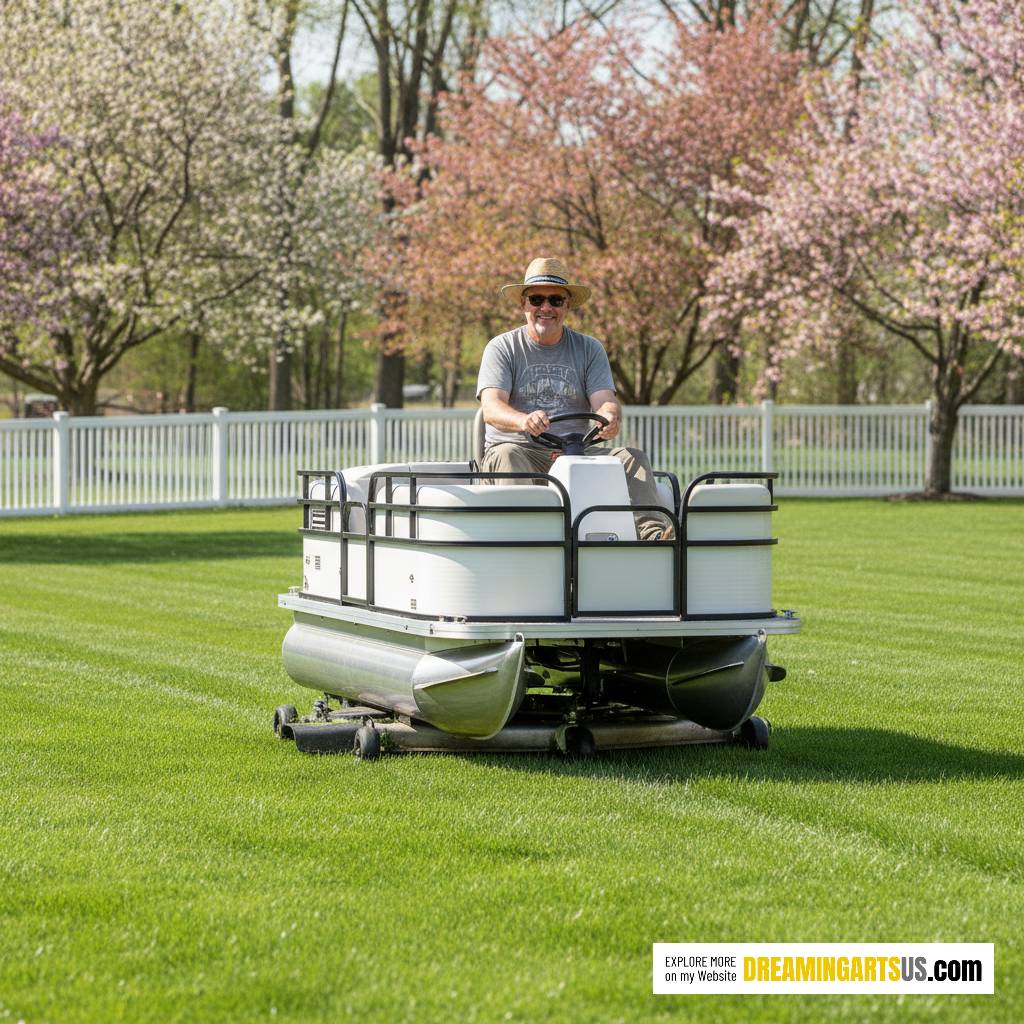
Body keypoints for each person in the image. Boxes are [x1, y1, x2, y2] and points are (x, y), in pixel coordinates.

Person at [476, 257, 673, 541]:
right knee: (508, 455)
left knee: (632, 457)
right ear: (523, 304)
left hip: (576, 451)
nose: (546, 308)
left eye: (556, 300)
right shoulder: (502, 348)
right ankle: (527, 540)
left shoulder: (589, 349)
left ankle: (654, 536)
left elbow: (605, 401)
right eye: (537, 299)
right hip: (520, 450)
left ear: (567, 306)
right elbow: (492, 408)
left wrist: (609, 416)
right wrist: (523, 420)